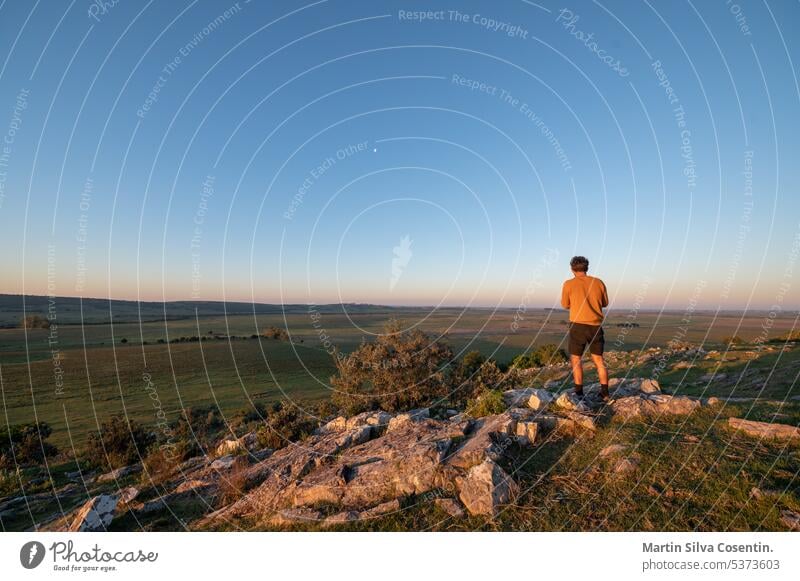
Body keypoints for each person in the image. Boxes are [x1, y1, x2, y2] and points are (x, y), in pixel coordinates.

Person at [560, 256, 610, 401]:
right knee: (599, 360)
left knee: (576, 360)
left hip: (578, 326)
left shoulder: (568, 284)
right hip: (595, 326)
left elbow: (565, 304)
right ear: (586, 268)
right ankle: (605, 393)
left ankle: (579, 393)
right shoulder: (599, 282)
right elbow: (605, 303)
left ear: (572, 269)